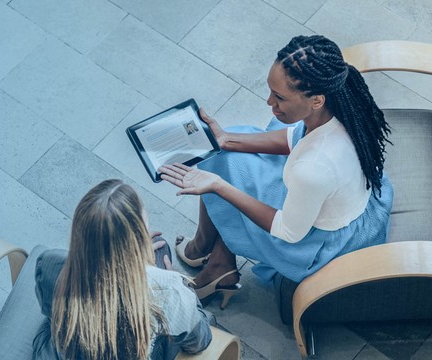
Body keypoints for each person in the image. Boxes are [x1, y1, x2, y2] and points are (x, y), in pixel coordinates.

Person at [158, 35, 394, 309]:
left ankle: (206, 253)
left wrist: (219, 185)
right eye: (271, 90)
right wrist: (226, 139)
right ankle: (217, 259)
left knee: (220, 169)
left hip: (315, 244)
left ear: (316, 99)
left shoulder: (314, 167)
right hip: (342, 202)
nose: (270, 101)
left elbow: (288, 232)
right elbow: (293, 138)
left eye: (280, 97)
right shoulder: (338, 106)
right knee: (236, 144)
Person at [32, 179, 212, 360]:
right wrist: (182, 284)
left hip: (61, 352)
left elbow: (49, 312)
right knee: (162, 249)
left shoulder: (49, 264)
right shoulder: (170, 291)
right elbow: (199, 341)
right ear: (136, 238)